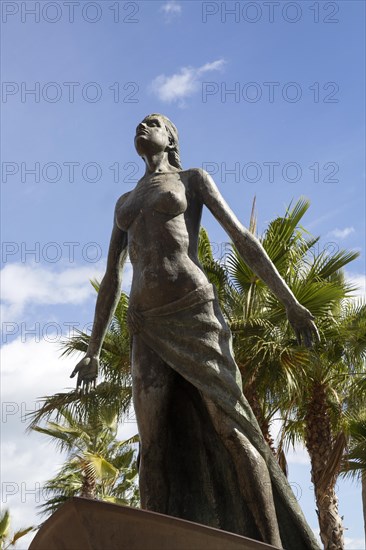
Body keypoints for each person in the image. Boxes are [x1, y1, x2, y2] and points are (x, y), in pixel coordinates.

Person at [71, 114, 320, 549]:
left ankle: (271, 542)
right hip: (145, 325)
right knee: (154, 442)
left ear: (170, 138)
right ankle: (157, 538)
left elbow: (243, 239)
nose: (140, 128)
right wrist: (93, 349)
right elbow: (111, 278)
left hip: (194, 312)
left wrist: (291, 303)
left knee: (233, 426)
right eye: (136, 125)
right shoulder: (124, 203)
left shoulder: (192, 179)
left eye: (151, 123)